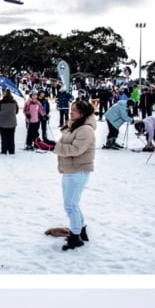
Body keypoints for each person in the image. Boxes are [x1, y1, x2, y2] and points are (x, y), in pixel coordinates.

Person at [53, 99, 97, 251]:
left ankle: (75, 237)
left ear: (82, 114)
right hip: (70, 170)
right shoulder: (74, 126)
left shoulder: (86, 130)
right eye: (71, 109)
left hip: (78, 171)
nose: (71, 112)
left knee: (70, 206)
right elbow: (64, 143)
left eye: (74, 110)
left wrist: (54, 147)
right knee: (73, 204)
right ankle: (81, 230)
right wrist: (48, 144)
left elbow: (76, 149)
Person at [0, 90, 19, 155]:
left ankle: (4, 150)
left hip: (2, 122)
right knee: (11, 137)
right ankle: (11, 150)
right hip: (12, 122)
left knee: (4, 137)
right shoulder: (14, 102)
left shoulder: (1, 102)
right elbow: (17, 111)